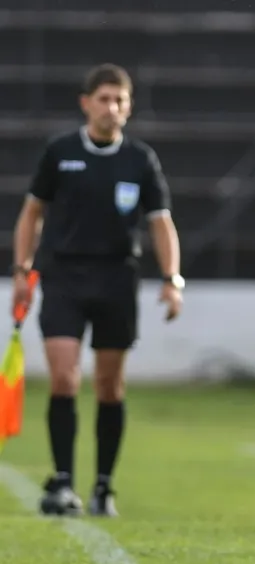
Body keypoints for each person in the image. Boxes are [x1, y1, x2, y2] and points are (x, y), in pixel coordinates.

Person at [10, 63, 184, 518]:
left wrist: (172, 281)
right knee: (65, 376)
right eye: (104, 99)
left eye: (120, 101)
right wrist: (22, 270)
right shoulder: (60, 152)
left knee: (110, 385)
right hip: (64, 277)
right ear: (86, 103)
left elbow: (161, 223)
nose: (112, 108)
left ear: (128, 107)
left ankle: (103, 485)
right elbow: (32, 213)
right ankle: (62, 480)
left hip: (116, 280)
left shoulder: (140, 160)